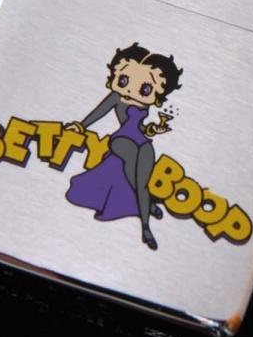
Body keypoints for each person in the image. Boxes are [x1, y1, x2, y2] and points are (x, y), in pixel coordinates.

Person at [65, 42, 183, 250]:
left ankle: (145, 227)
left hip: (142, 140)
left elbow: (141, 127)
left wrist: (154, 129)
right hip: (121, 139)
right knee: (133, 168)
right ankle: (147, 206)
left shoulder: (144, 105)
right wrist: (81, 126)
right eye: (123, 80)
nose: (130, 90)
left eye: (145, 89)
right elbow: (99, 112)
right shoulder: (116, 98)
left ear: (158, 96)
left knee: (142, 181)